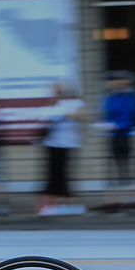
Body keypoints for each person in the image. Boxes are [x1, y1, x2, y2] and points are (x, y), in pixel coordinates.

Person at [37, 83, 86, 216]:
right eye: (54, 90)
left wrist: (70, 115)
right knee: (54, 175)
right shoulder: (51, 106)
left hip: (69, 144)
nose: (56, 93)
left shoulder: (75, 102)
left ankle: (69, 204)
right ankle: (51, 205)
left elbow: (84, 117)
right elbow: (44, 121)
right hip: (53, 144)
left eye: (59, 90)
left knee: (66, 175)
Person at [103, 71, 135, 186]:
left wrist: (118, 125)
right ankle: (121, 183)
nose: (116, 82)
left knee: (126, 160)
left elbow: (134, 115)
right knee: (118, 161)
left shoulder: (133, 96)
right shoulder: (109, 97)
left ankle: (126, 183)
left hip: (127, 134)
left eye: (119, 79)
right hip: (114, 134)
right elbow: (107, 115)